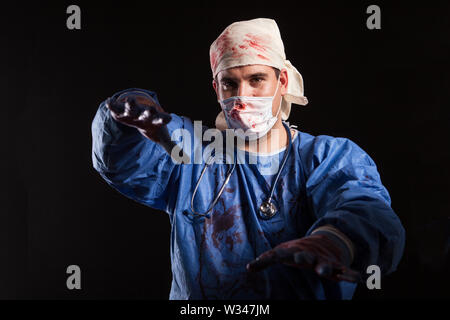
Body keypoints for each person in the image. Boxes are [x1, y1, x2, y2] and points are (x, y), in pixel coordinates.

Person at [91, 18, 405, 299]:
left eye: (256, 79)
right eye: (230, 83)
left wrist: (333, 241)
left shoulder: (326, 158)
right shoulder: (192, 159)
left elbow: (367, 209)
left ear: (282, 82)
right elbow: (120, 163)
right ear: (216, 88)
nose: (242, 97)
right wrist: (125, 116)